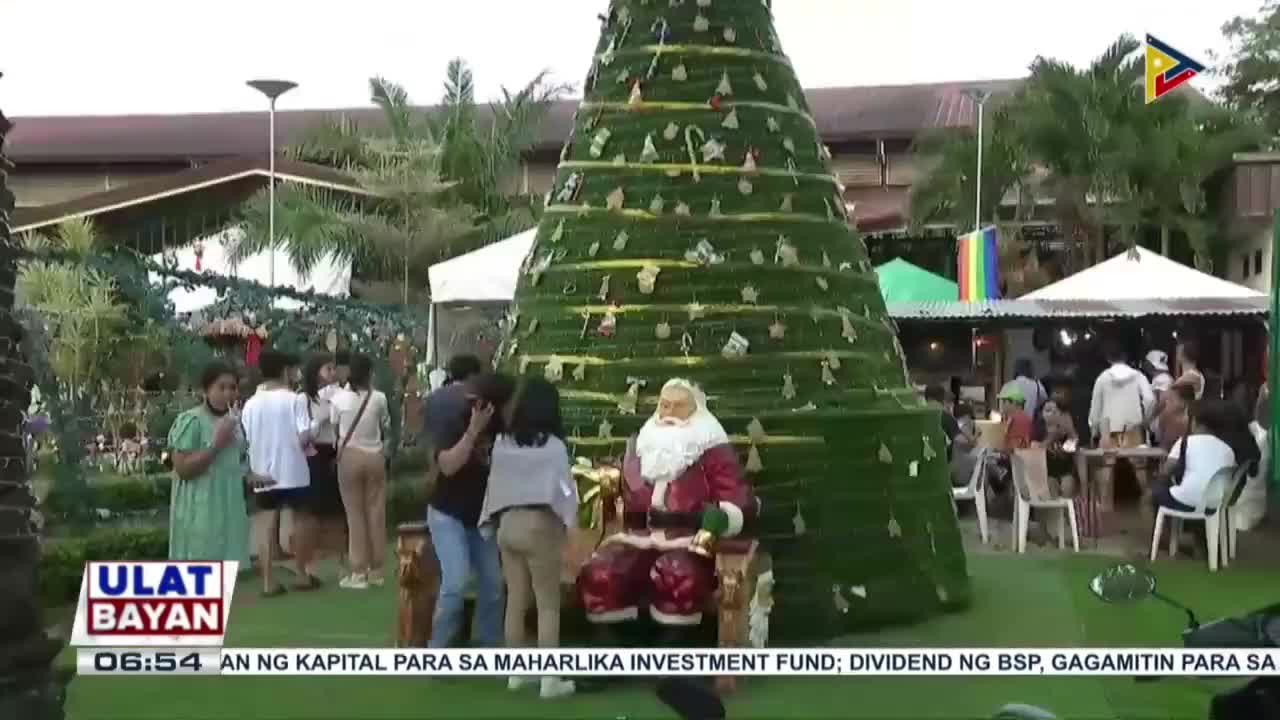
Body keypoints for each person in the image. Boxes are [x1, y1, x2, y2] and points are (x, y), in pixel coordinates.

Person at [578, 378, 754, 630]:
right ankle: (616, 654)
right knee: (602, 573)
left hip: (687, 539)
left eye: (678, 406)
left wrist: (721, 518)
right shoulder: (643, 444)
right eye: (665, 405)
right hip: (637, 537)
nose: (669, 414)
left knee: (676, 575)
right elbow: (623, 482)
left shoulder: (712, 447)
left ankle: (672, 657)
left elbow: (735, 498)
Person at [477, 377, 578, 699]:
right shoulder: (555, 447)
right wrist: (569, 510)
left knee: (516, 600)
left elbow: (495, 484)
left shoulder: (504, 443)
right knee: (548, 604)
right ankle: (550, 679)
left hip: (507, 524)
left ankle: (517, 672)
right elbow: (563, 488)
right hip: (539, 525)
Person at [424, 368, 515, 648]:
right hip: (447, 512)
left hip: (480, 515)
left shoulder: (502, 424)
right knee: (456, 581)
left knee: (493, 584)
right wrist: (473, 430)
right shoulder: (456, 419)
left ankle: (488, 645)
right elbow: (448, 466)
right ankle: (436, 649)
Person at [241, 350, 318, 595]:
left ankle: (267, 582)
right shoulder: (295, 399)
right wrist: (316, 427)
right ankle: (301, 574)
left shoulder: (250, 404)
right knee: (301, 520)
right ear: (285, 371)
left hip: (262, 472)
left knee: (265, 525)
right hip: (293, 469)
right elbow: (304, 435)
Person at [168, 361, 259, 564]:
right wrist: (216, 445)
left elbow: (238, 461)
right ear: (206, 390)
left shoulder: (235, 422)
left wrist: (252, 476)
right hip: (200, 512)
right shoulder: (191, 421)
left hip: (230, 510)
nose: (228, 393)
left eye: (232, 388)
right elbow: (182, 468)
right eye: (221, 387)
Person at [330, 353, 392, 589]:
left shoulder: (338, 399)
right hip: (374, 456)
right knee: (376, 511)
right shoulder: (379, 398)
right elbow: (385, 425)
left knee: (354, 514)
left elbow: (336, 429)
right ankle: (377, 569)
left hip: (349, 457)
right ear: (369, 373)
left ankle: (358, 571)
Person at [300, 353, 347, 573]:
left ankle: (341, 562)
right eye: (328, 369)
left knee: (338, 512)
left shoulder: (340, 394)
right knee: (313, 512)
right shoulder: (305, 399)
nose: (333, 373)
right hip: (314, 453)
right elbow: (305, 428)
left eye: (333, 368)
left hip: (334, 452)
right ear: (315, 372)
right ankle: (310, 564)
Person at [1089, 343, 1154, 449]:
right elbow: (1149, 399)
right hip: (1133, 431)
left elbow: (1095, 409)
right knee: (1134, 465)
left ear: (1108, 358)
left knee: (1111, 465)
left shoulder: (1102, 378)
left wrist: (1094, 432)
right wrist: (1145, 421)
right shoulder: (1138, 376)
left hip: (1109, 434)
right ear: (1125, 357)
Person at [1032, 397, 1078, 497]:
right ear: (1042, 414)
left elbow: (1072, 448)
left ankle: (1066, 510)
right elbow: (1035, 450)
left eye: (1055, 410)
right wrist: (1052, 437)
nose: (1052, 413)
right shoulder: (1038, 432)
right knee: (1050, 485)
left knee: (1068, 485)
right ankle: (1054, 511)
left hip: (1065, 472)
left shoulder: (1066, 431)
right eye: (1048, 410)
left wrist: (1071, 432)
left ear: (1060, 414)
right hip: (1047, 474)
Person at [924, 385, 963, 461]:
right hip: (942, 463)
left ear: (926, 397)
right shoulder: (947, 417)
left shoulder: (919, 416)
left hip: (921, 464)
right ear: (942, 398)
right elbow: (960, 440)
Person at [996, 385, 1034, 451]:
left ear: (1014, 403)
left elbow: (1015, 446)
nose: (1002, 405)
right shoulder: (1024, 417)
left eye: (1004, 401)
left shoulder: (1017, 419)